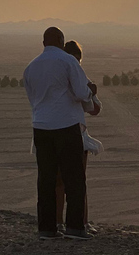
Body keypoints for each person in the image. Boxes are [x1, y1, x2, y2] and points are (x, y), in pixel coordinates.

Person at [23, 27, 96, 240]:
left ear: (43, 42)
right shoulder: (68, 61)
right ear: (61, 41)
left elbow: (32, 98)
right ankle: (75, 227)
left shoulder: (31, 67)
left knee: (45, 179)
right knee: (73, 178)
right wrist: (91, 90)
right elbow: (82, 92)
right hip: (66, 125)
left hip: (41, 127)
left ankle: (47, 228)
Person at [54, 40, 103, 235]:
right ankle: (58, 223)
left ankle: (82, 222)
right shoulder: (58, 79)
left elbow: (96, 109)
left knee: (78, 182)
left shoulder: (82, 78)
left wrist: (88, 94)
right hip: (58, 132)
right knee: (59, 182)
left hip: (78, 135)